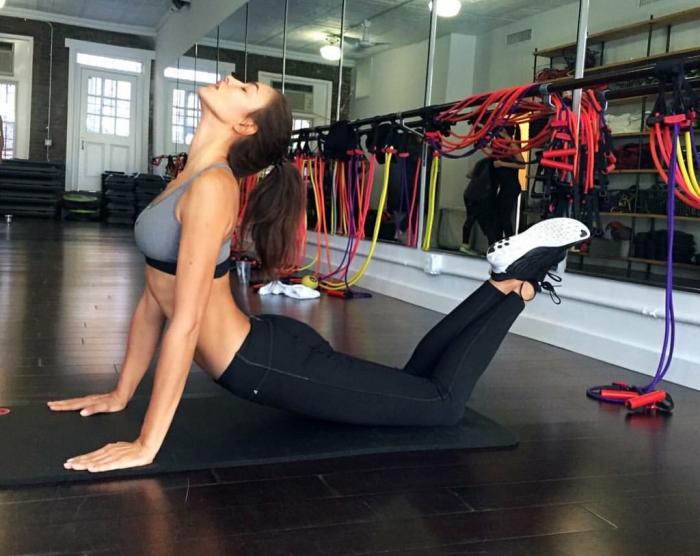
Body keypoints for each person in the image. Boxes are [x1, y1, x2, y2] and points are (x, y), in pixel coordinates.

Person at [47, 76, 589, 473]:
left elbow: (184, 324)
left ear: (243, 125)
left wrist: (146, 444)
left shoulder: (212, 187)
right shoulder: (190, 179)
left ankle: (517, 284)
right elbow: (152, 304)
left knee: (442, 406)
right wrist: (121, 393)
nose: (232, 80)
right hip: (263, 346)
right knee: (415, 387)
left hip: (264, 363)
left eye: (244, 89)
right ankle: (504, 278)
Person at [491, 128, 526, 240]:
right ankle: (497, 241)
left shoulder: (512, 145)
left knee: (505, 216)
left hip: (511, 186)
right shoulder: (501, 146)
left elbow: (522, 164)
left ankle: (510, 242)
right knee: (498, 215)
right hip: (504, 186)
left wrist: (502, 164)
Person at [460, 157, 499, 255]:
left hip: (469, 193)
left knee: (470, 219)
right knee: (489, 223)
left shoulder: (482, 161)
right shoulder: (499, 164)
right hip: (483, 195)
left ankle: (465, 245)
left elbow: (469, 174)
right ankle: (493, 250)